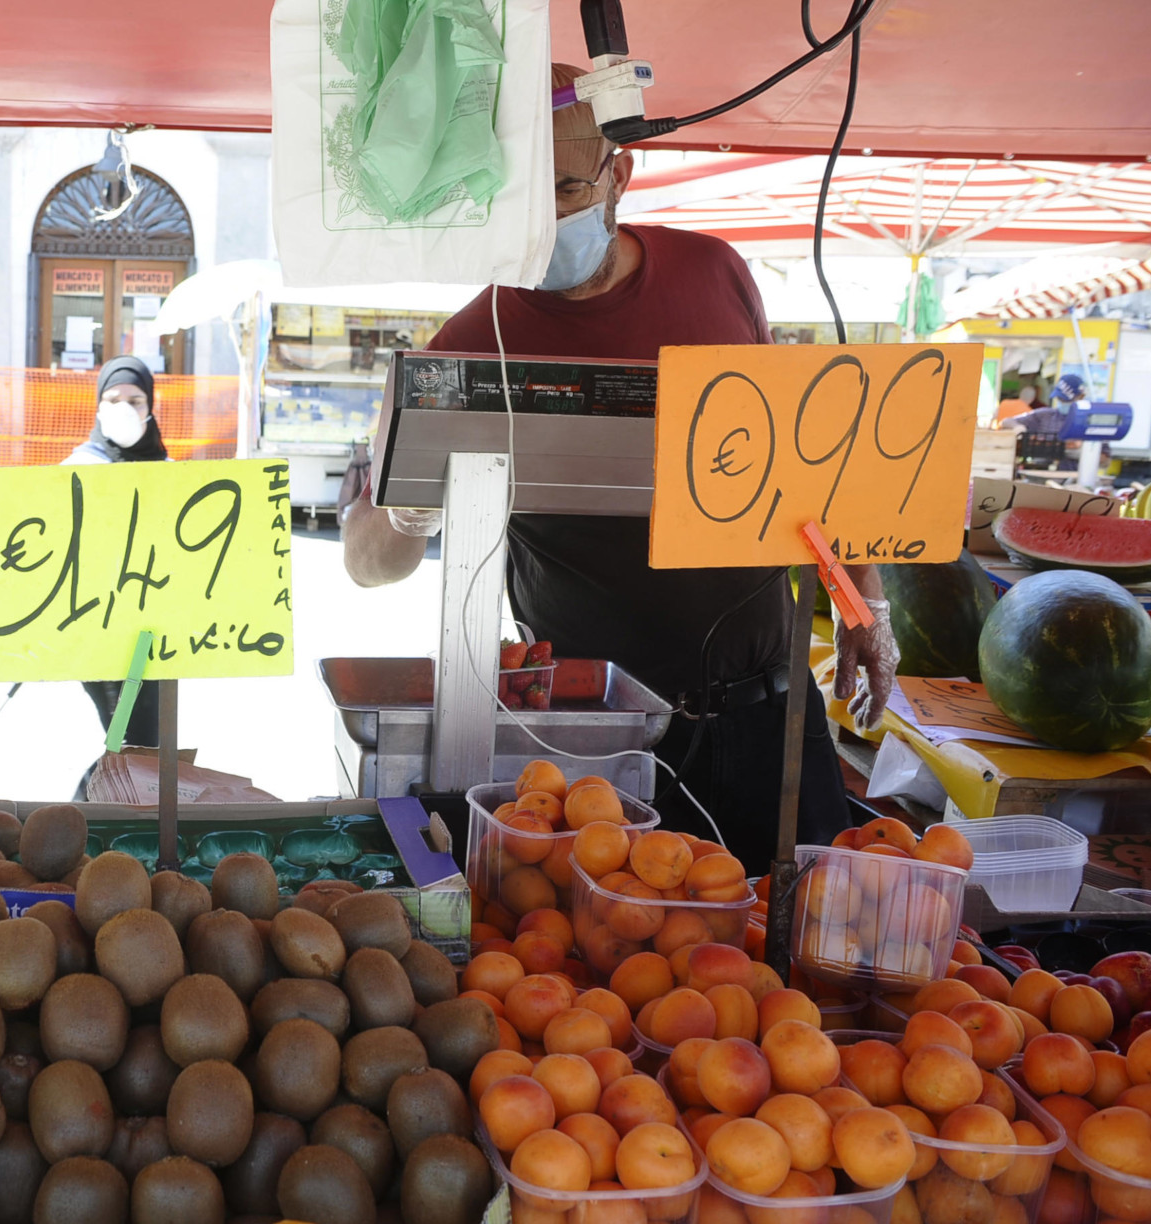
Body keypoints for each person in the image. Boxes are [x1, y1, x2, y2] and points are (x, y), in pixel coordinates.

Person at [342, 63, 890, 874]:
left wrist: (862, 598)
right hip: (588, 740)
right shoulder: (466, 344)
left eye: (563, 189)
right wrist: (409, 511)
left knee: (796, 946)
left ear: (619, 174)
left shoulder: (715, 272)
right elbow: (365, 565)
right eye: (513, 196)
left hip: (770, 712)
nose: (541, 219)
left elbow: (800, 457)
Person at [65, 356, 168, 752]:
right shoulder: (77, 468)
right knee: (128, 740)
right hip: (96, 624)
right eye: (113, 399)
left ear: (150, 407)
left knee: (140, 741)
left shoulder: (171, 471)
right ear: (97, 408)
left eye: (136, 400)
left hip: (156, 634)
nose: (125, 408)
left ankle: (113, 806)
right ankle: (92, 807)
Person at [1000, 371, 1087, 435]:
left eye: (1067, 400)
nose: (1063, 403)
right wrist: (1018, 427)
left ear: (1081, 397)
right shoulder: (1045, 415)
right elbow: (1007, 421)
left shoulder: (1087, 421)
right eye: (1060, 399)